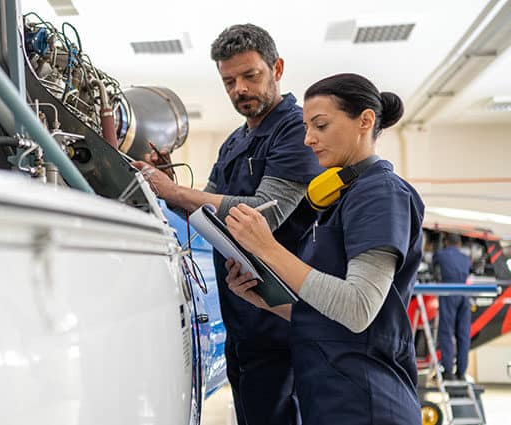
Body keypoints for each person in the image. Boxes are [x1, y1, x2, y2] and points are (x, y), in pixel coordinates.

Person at [133, 24, 322, 425]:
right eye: (229, 81)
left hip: (281, 325)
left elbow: (262, 213)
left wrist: (177, 193)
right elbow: (207, 217)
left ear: (277, 68)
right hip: (243, 322)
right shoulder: (235, 142)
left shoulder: (296, 131)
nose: (239, 89)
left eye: (250, 76)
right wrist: (172, 186)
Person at [223, 73, 424, 424]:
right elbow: (329, 313)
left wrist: (267, 247)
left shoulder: (381, 194)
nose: (308, 139)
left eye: (320, 125)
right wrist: (268, 300)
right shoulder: (338, 200)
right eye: (306, 127)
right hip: (330, 398)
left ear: (365, 121)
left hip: (366, 401)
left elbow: (358, 308)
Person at [434, 233, 472, 381]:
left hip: (449, 292)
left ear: (446, 242)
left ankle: (448, 371)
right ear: (459, 244)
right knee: (463, 334)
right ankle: (461, 372)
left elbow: (433, 264)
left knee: (446, 332)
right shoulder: (465, 258)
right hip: (465, 294)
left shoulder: (441, 254)